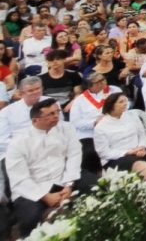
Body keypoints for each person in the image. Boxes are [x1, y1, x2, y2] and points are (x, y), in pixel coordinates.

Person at [6, 98, 97, 237]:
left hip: (63, 176)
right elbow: (19, 177)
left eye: (57, 112)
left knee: (97, 187)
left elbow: (74, 155)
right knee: (30, 218)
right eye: (50, 114)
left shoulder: (66, 128)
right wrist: (44, 196)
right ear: (35, 120)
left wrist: (69, 184)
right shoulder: (18, 142)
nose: (56, 116)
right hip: (33, 185)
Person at [94, 93, 146, 180]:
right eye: (121, 102)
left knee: (143, 165)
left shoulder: (132, 116)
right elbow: (104, 153)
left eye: (125, 101)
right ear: (111, 106)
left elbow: (142, 134)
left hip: (137, 153)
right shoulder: (101, 127)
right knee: (141, 165)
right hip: (115, 159)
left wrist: (142, 147)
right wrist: (128, 152)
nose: (125, 103)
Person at [69, 72, 118, 173]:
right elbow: (75, 122)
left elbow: (124, 107)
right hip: (89, 134)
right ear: (90, 85)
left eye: (103, 79)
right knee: (90, 152)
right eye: (98, 82)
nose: (103, 83)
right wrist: (94, 122)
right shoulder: (79, 100)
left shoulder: (113, 92)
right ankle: (94, 176)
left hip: (111, 129)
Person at [0, 76, 44, 158]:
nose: (35, 92)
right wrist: (26, 147)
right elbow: (1, 140)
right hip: (16, 153)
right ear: (21, 93)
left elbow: (60, 127)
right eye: (30, 90)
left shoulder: (52, 104)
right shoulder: (7, 112)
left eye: (38, 88)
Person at [39, 50, 82, 115]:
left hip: (67, 106)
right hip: (48, 107)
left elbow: (78, 93)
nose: (55, 62)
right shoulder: (40, 78)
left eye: (58, 59)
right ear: (48, 62)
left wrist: (72, 103)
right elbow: (39, 97)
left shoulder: (73, 75)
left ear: (64, 60)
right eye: (51, 60)